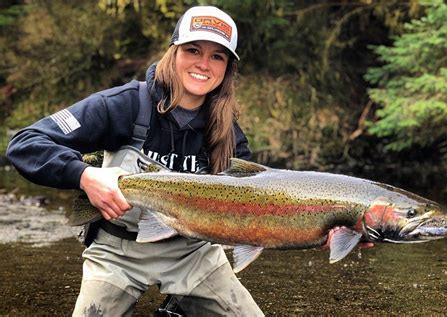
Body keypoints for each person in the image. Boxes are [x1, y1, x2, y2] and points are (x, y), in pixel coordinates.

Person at [7, 6, 264, 317]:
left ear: (227, 69)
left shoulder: (228, 132)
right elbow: (25, 143)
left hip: (194, 255)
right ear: (174, 52)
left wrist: (317, 226)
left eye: (217, 56)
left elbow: (254, 205)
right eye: (193, 50)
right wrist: (84, 176)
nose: (203, 64)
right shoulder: (124, 104)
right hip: (118, 252)